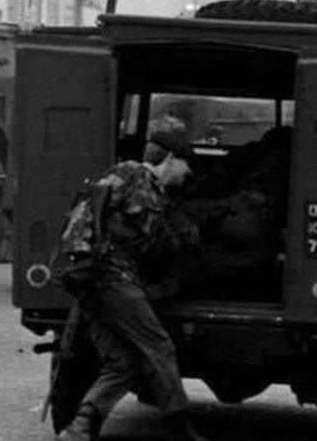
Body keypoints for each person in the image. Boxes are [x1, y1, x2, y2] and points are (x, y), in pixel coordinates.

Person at [57, 130, 209, 441]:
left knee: (122, 363)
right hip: (112, 278)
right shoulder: (143, 183)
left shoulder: (120, 173)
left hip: (88, 278)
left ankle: (80, 428)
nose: (188, 173)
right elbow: (147, 244)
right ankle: (182, 427)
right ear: (168, 158)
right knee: (158, 346)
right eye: (185, 164)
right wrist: (181, 241)